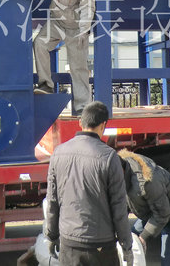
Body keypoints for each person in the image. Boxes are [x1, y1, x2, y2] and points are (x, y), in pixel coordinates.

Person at [45, 101, 134, 266]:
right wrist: (126, 245)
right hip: (101, 245)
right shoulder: (109, 157)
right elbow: (119, 207)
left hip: (69, 242)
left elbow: (52, 200)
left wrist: (51, 235)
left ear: (80, 122)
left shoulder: (58, 153)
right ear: (103, 125)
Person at [31, 0, 95, 114]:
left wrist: (84, 30)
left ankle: (82, 107)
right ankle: (46, 85)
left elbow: (88, 6)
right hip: (56, 21)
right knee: (39, 43)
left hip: (76, 27)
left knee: (78, 67)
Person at [118, 149, 170, 266]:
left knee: (169, 260)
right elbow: (122, 203)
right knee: (132, 240)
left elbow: (163, 214)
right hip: (150, 211)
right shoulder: (120, 173)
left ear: (121, 170)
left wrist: (144, 237)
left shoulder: (146, 182)